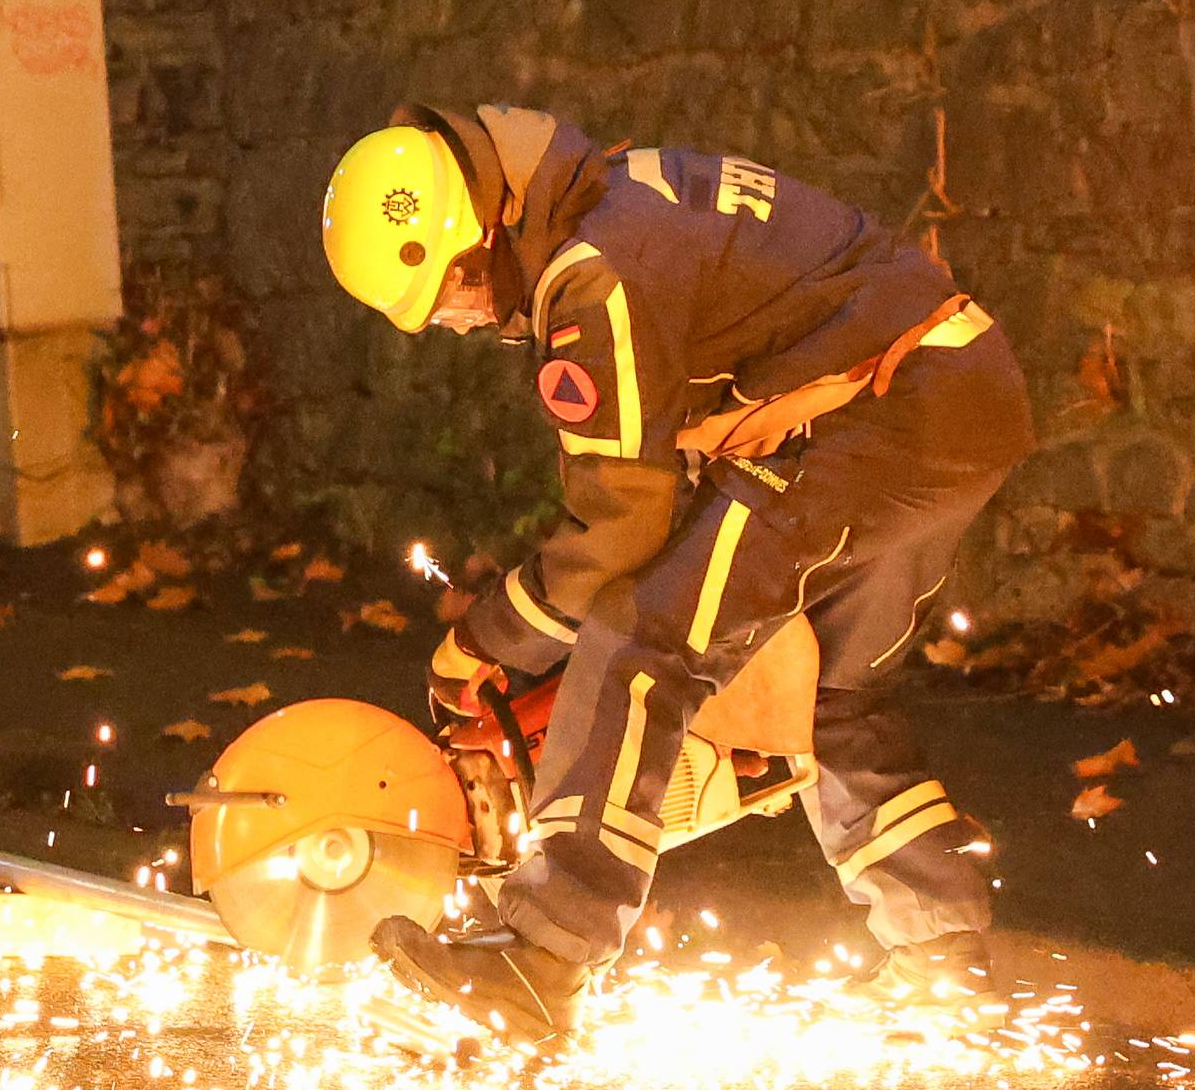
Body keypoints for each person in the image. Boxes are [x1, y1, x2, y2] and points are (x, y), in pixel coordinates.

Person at [318, 104, 1034, 1038]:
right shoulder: (616, 196)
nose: (457, 322)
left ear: (475, 235)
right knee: (829, 689)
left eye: (450, 295)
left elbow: (621, 524)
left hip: (881, 412)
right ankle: (943, 961)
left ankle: (544, 956)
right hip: (954, 389)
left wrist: (484, 640)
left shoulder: (590, 273)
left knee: (639, 640)